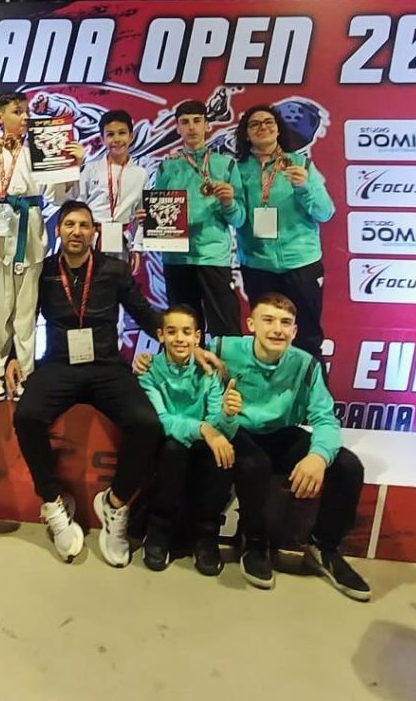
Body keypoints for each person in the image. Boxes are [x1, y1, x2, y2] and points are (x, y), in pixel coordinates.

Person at [10, 200, 162, 567]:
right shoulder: (43, 271)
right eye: (69, 225)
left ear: (94, 232)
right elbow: (23, 316)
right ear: (58, 231)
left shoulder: (114, 269)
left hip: (106, 366)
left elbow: (145, 314)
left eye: (83, 225)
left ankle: (114, 504)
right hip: (58, 365)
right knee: (26, 416)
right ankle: (52, 502)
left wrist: (185, 343)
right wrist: (12, 355)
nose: (76, 232)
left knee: (147, 424)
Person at [213, 293, 370, 601]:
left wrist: (318, 456)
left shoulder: (305, 364)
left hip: (281, 433)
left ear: (295, 331)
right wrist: (147, 362)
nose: (277, 329)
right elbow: (181, 354)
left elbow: (325, 418)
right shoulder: (222, 348)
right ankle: (254, 542)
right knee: (254, 463)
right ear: (251, 325)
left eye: (285, 323)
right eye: (268, 320)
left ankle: (324, 547)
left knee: (348, 466)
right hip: (236, 429)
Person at [0, 91, 80, 400]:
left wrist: (72, 165)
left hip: (29, 229)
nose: (25, 117)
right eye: (17, 111)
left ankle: (26, 373)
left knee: (27, 310)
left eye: (26, 111)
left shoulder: (40, 148)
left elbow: (57, 194)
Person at [138, 304, 237, 575]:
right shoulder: (149, 371)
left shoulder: (208, 371)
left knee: (223, 452)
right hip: (168, 443)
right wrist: (203, 428)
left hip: (201, 441)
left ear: (197, 337)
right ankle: (158, 531)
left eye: (186, 332)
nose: (179, 338)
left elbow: (217, 423)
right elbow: (163, 420)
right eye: (172, 332)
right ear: (160, 335)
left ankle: (206, 535)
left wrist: (227, 416)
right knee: (173, 450)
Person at [234, 104, 334, 360]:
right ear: (246, 134)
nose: (263, 127)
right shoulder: (237, 170)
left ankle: (312, 386)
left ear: (278, 129)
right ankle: (270, 386)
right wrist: (226, 204)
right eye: (254, 124)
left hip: (301, 263)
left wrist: (304, 187)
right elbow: (237, 217)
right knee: (266, 338)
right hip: (258, 265)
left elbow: (325, 212)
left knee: (307, 337)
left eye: (269, 122)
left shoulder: (301, 164)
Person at [152, 99, 244, 338]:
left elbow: (239, 219)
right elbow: (159, 211)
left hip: (213, 256)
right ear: (178, 128)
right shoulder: (167, 167)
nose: (191, 127)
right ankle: (188, 365)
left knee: (225, 327)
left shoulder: (226, 165)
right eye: (185, 122)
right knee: (183, 329)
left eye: (197, 121)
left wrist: (229, 203)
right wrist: (148, 218)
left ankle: (227, 364)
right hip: (176, 257)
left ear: (207, 125)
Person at [77, 109, 147, 271]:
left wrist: (137, 247)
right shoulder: (90, 169)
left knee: (119, 283)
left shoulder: (140, 174)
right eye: (110, 134)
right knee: (88, 282)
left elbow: (142, 216)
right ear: (102, 139)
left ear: (131, 136)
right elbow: (79, 205)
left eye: (122, 133)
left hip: (122, 240)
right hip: (92, 239)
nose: (116, 139)